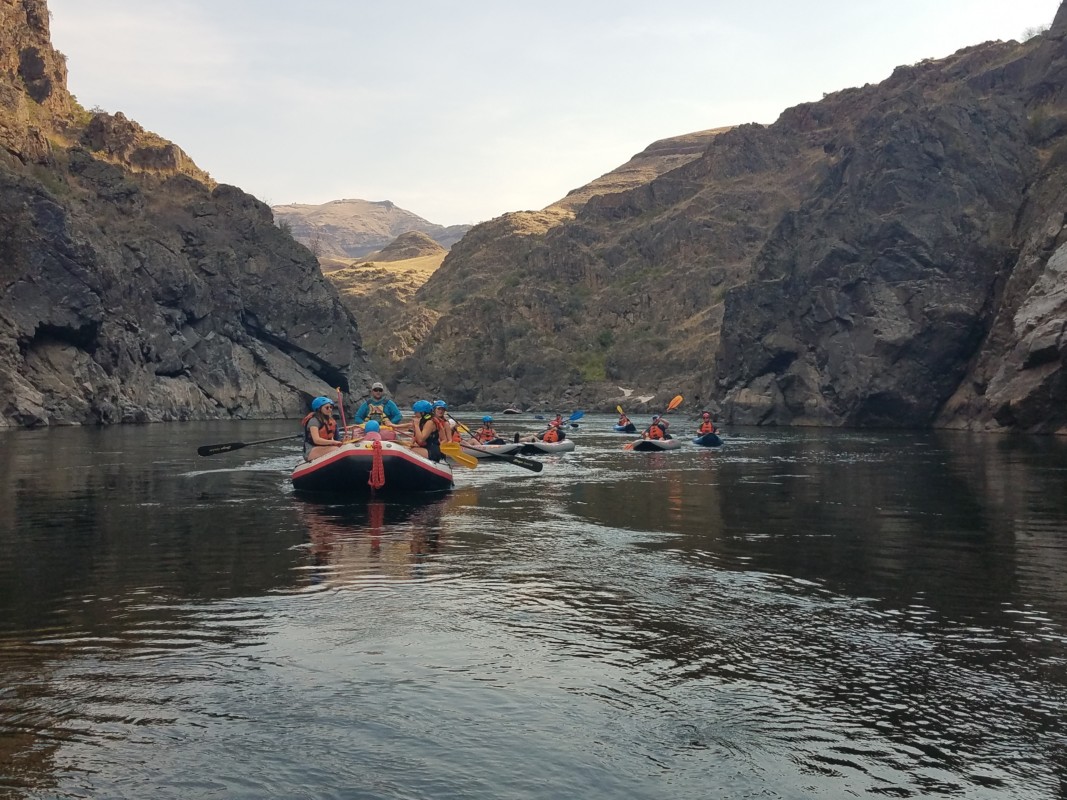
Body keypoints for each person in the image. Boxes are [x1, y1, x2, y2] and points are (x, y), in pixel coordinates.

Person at [303, 396, 345, 461]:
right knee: (336, 449)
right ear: (319, 409)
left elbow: (338, 439)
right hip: (312, 450)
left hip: (326, 447)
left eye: (331, 407)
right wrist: (333, 442)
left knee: (343, 446)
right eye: (327, 407)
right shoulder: (314, 421)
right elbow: (316, 440)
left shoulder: (332, 421)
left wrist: (344, 440)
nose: (330, 409)